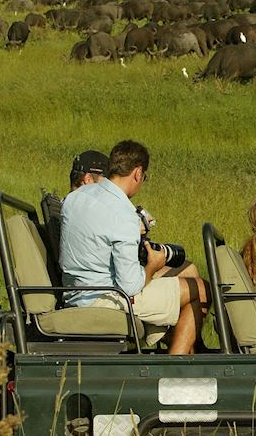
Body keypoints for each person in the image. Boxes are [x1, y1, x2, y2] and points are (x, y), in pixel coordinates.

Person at [59, 140, 209, 355]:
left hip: (75, 293)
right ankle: (176, 369)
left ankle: (184, 349)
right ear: (138, 173)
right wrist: (153, 265)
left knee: (185, 274)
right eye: (144, 177)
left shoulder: (74, 199)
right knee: (201, 289)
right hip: (105, 298)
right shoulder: (124, 212)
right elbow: (129, 287)